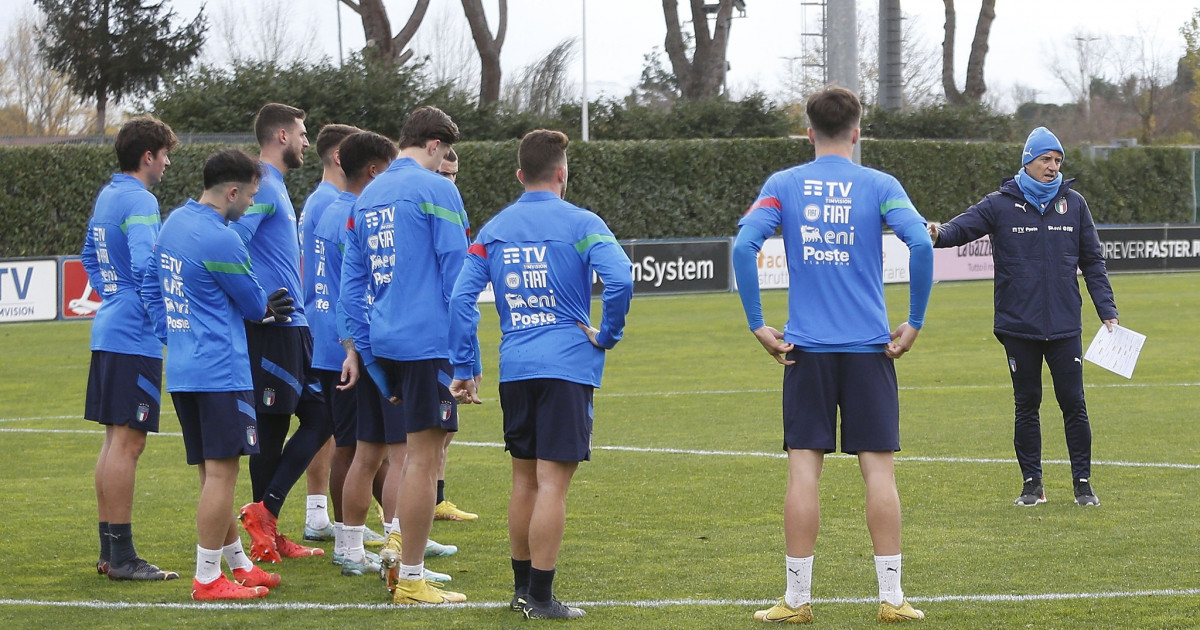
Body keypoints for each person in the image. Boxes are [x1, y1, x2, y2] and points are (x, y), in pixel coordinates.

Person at [732, 85, 932, 624]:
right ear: (858, 129)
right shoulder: (880, 185)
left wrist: (758, 323)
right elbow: (921, 244)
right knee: (879, 474)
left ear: (808, 131)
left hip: (806, 351)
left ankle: (797, 601)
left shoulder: (784, 185)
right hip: (871, 350)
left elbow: (742, 246)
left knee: (803, 472)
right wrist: (914, 320)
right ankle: (891, 598)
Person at [448, 129, 634, 619]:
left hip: (517, 368)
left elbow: (461, 299)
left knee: (524, 481)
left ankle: (521, 591)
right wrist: (607, 336)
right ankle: (544, 599)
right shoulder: (582, 222)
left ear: (518, 175)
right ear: (562, 173)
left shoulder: (493, 230)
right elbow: (620, 278)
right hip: (567, 365)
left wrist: (465, 365)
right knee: (553, 483)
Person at [928, 126, 1118, 508]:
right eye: (1046, 159)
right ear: (1028, 160)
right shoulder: (999, 203)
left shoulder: (1075, 204)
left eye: (1058, 160)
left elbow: (1093, 263)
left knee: (1074, 405)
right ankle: (1032, 485)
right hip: (1018, 326)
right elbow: (957, 230)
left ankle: (1083, 485)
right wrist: (933, 232)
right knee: (1026, 405)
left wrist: (1108, 312)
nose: (1053, 167)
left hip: (1065, 327)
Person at [142, 148, 293, 600]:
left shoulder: (174, 223)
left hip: (186, 370)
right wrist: (266, 308)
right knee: (222, 476)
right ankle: (208, 578)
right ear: (231, 191)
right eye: (249, 194)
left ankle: (237, 565)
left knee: (212, 475)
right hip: (221, 372)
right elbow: (251, 305)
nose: (250, 203)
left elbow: (152, 284)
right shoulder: (223, 240)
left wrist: (173, 332)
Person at [341, 105, 468, 605]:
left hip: (387, 340)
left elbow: (352, 286)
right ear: (434, 146)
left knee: (413, 456)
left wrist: (370, 356)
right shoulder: (438, 188)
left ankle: (402, 558)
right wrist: (468, 359)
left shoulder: (369, 194)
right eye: (444, 156)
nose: (444, 165)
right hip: (427, 342)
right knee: (423, 459)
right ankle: (411, 578)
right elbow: (459, 276)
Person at [81, 115, 180, 581]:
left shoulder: (108, 194)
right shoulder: (140, 199)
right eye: (164, 156)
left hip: (110, 329)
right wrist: (163, 324)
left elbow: (88, 255)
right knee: (128, 443)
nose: (166, 164)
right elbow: (145, 266)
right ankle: (121, 557)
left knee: (113, 442)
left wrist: (113, 293)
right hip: (131, 336)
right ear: (148, 156)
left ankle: (110, 552)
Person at [232, 103, 327, 563]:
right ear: (282, 136)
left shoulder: (277, 188)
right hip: (276, 329)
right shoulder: (264, 187)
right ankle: (263, 532)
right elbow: (231, 243)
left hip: (296, 328)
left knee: (321, 416)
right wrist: (258, 302)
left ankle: (266, 517)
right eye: (303, 133)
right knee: (271, 431)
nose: (307, 141)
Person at [297, 122, 362, 543]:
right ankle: (336, 525)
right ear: (341, 157)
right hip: (336, 334)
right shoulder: (334, 204)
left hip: (323, 326)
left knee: (332, 430)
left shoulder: (317, 201)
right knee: (348, 439)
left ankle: (324, 517)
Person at [432, 146, 478, 523]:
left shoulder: (452, 209)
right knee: (428, 433)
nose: (449, 181)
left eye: (453, 175)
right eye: (442, 173)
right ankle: (396, 506)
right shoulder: (430, 210)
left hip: (450, 334)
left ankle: (437, 499)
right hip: (430, 335)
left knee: (447, 428)